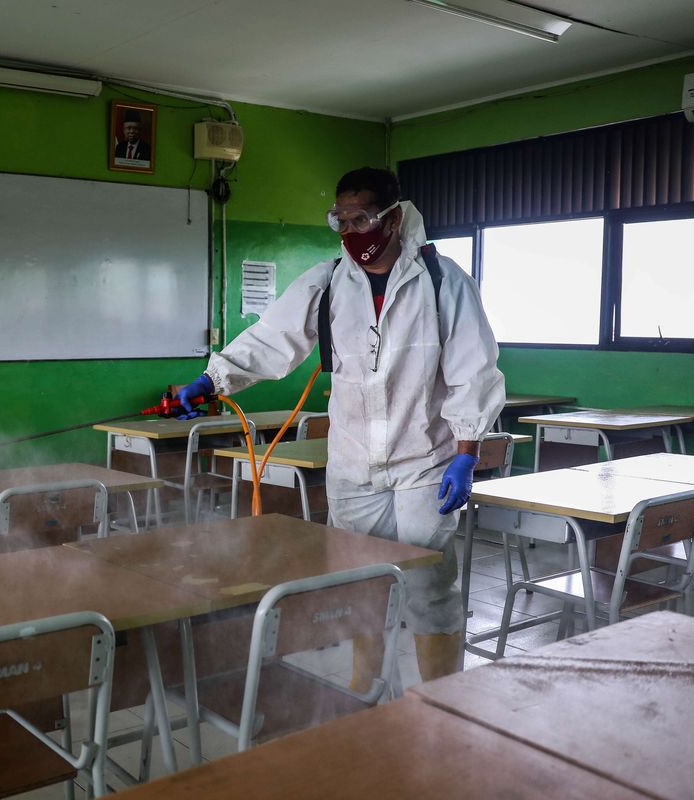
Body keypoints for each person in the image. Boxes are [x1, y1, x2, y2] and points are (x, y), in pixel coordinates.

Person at [176, 166, 504, 683]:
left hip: (426, 461)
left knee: (430, 584)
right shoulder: (328, 282)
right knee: (357, 583)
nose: (352, 232)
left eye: (362, 219)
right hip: (352, 463)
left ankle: (445, 700)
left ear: (393, 219)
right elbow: (270, 340)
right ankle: (362, 692)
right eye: (341, 221)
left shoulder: (443, 282)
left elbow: (474, 370)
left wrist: (466, 452)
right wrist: (212, 379)